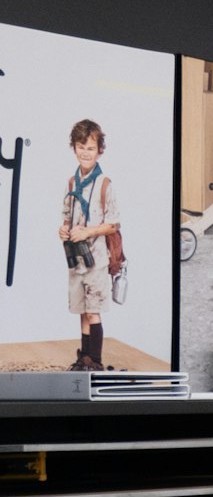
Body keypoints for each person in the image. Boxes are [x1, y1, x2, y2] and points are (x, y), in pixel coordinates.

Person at [59, 118, 119, 371]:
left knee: (94, 311)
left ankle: (96, 361)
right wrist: (64, 229)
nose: (85, 152)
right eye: (81, 147)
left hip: (96, 259)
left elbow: (113, 225)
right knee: (83, 310)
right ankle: (84, 358)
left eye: (91, 148)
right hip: (76, 260)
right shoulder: (72, 183)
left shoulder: (105, 184)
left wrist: (88, 232)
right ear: (74, 148)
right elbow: (67, 215)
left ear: (100, 151)